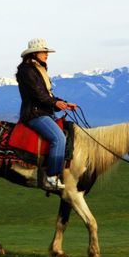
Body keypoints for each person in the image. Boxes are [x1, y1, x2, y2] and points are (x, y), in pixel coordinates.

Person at [16, 38, 77, 190]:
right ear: (34, 53)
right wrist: (55, 104)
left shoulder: (37, 69)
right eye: (44, 52)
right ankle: (52, 176)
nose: (47, 54)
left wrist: (63, 103)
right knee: (59, 138)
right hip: (35, 114)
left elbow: (46, 94)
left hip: (44, 111)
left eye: (46, 52)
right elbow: (37, 94)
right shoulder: (27, 71)